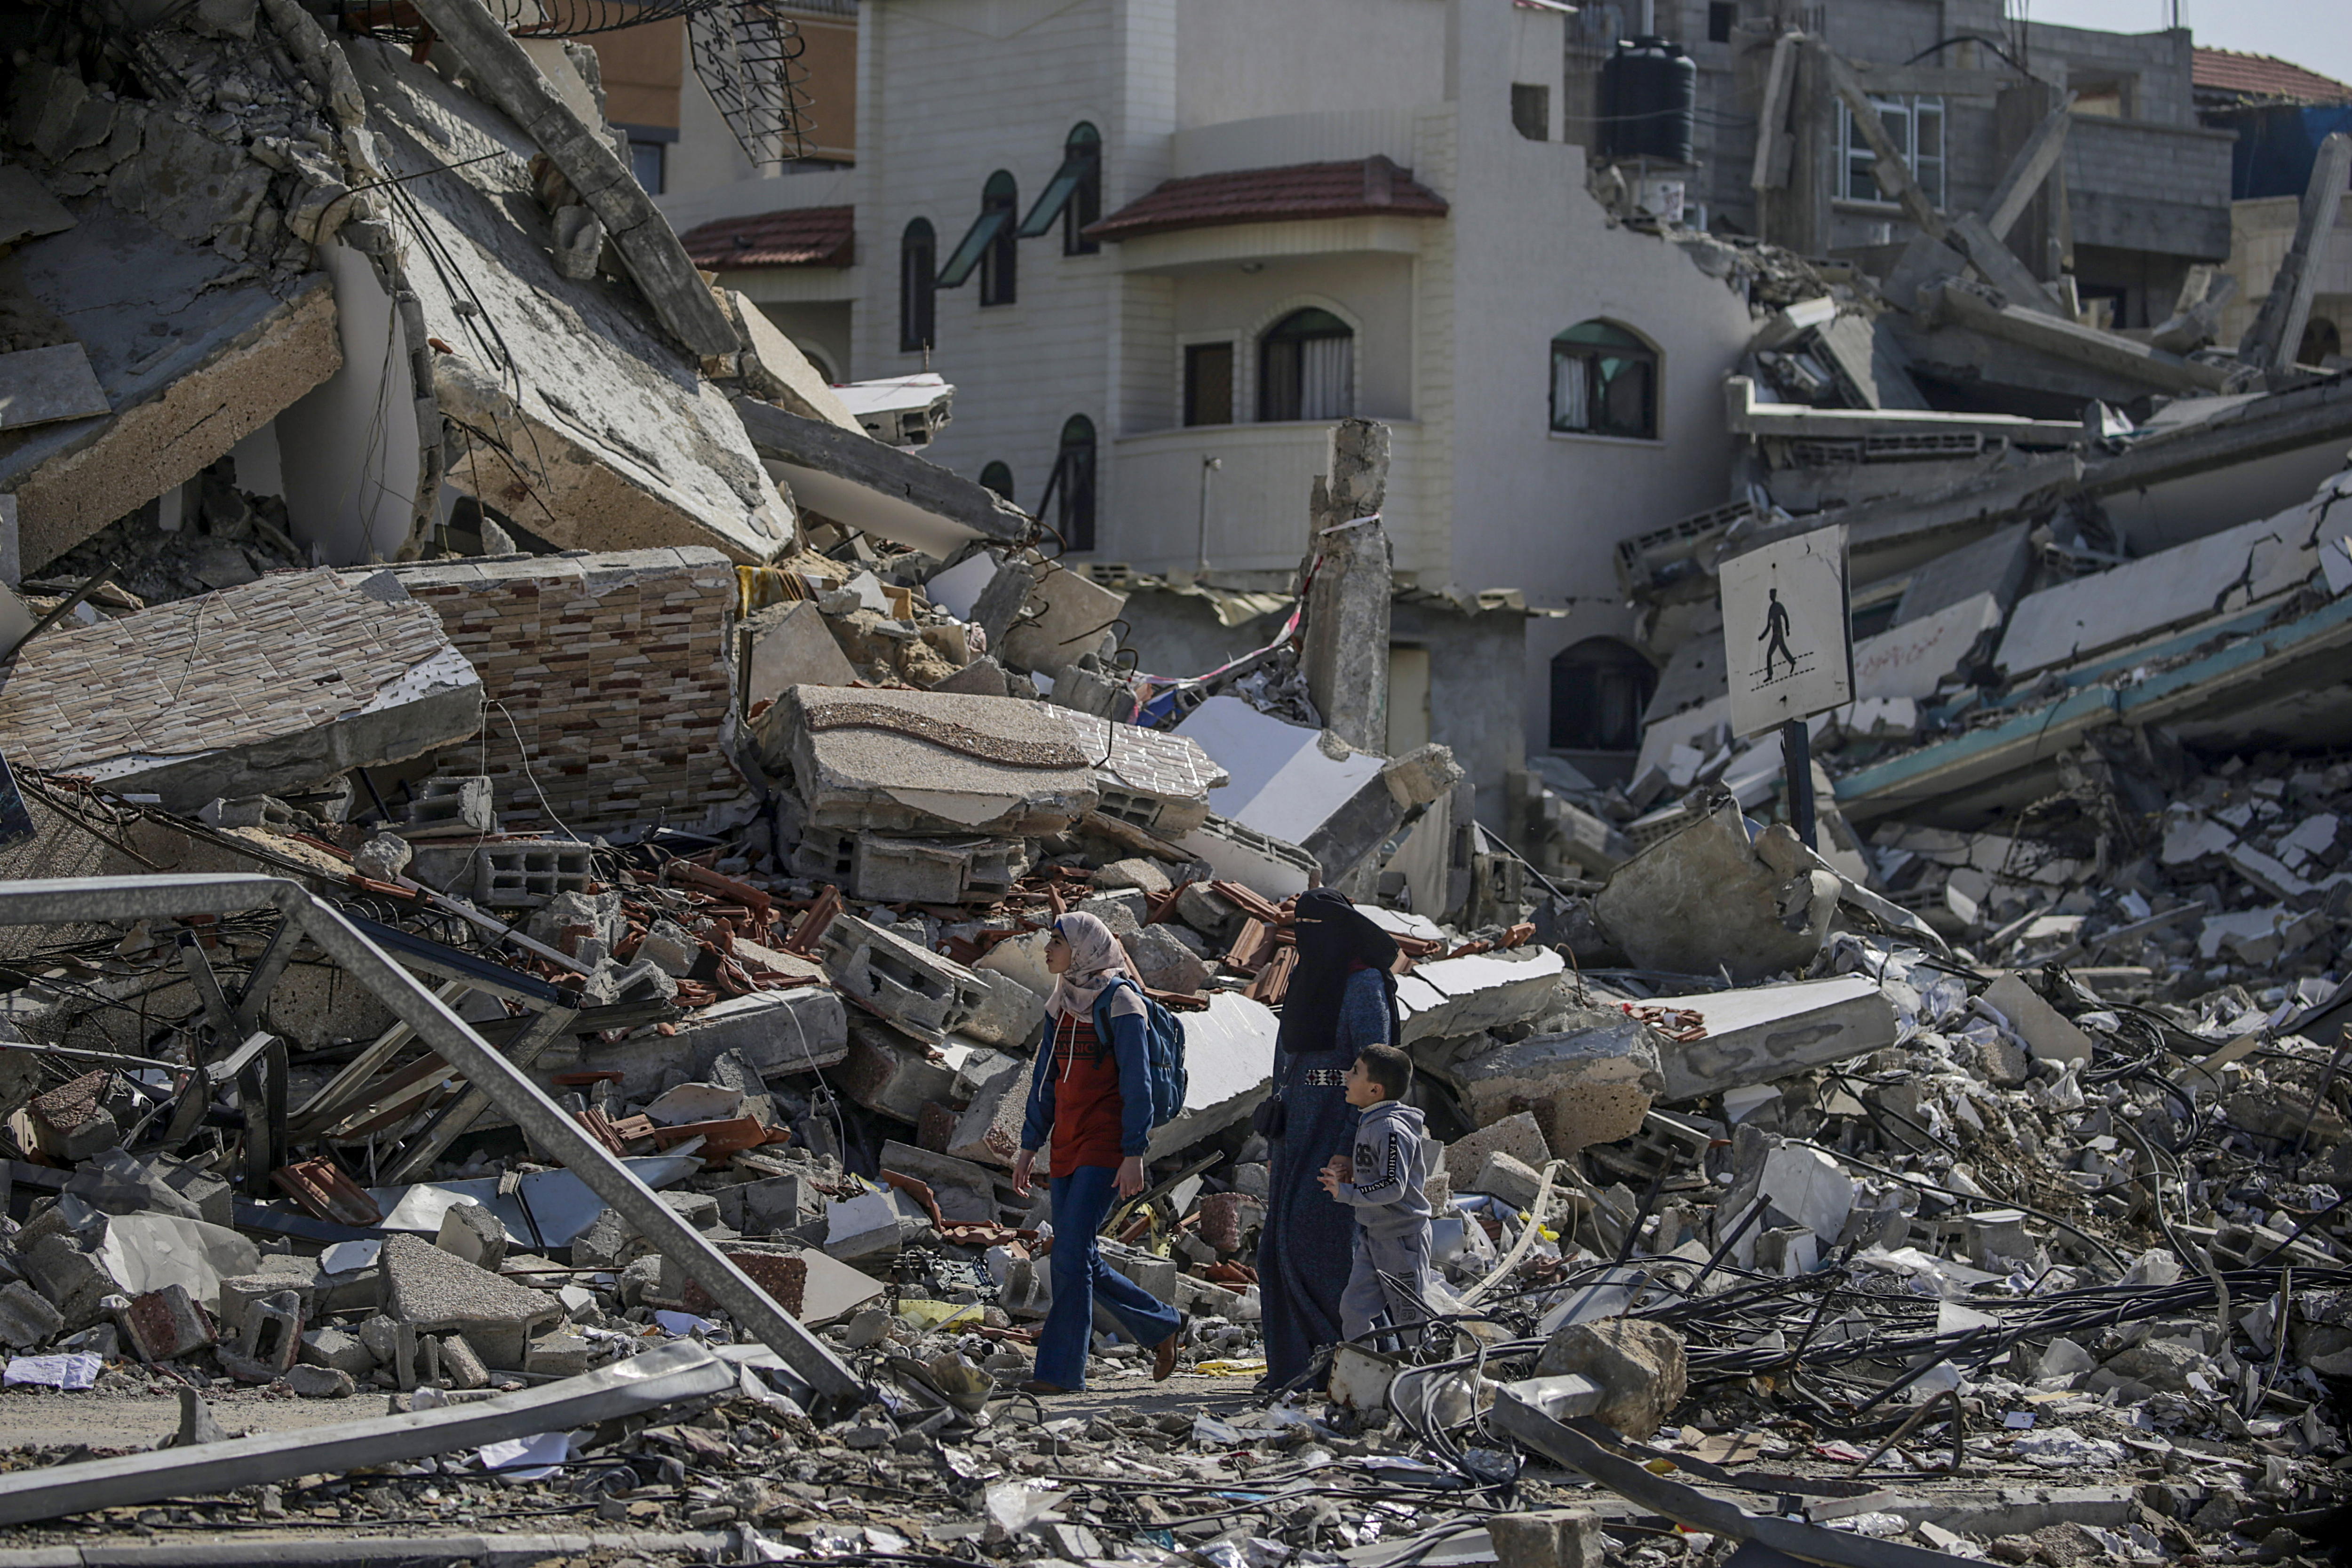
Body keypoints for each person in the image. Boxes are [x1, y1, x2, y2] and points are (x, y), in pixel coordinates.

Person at [1010, 911, 1181, 1395]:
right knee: (1074, 1254)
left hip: (1105, 1146)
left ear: (1084, 949)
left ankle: (1059, 1374)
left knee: (1068, 1254)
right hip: (1066, 1142)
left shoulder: (1121, 1002)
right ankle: (1161, 1324)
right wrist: (1028, 1145)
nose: (1047, 948)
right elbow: (1043, 1078)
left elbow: (1137, 1084)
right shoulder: (1061, 1001)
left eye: (1057, 941)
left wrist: (1134, 1151)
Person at [1256, 887, 1402, 1392]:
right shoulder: (1308, 977)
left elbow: (1370, 1070)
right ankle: (1295, 1367)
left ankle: (1357, 1364)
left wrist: (1347, 1144)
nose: (1307, 940)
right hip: (1293, 1132)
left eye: (1317, 929)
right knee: (1278, 1248)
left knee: (1318, 1246)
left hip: (1335, 1136)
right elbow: (1293, 1058)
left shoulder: (1362, 986)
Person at [1319, 1042, 1435, 1351]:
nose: (1346, 1076)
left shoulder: (1390, 1128)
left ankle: (1430, 1383)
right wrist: (1350, 1176)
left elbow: (1392, 1187)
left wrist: (1347, 1192)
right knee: (1354, 1311)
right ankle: (1363, 1382)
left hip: (1401, 1240)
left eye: (1356, 1071)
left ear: (1375, 1089)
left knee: (1412, 1321)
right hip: (1374, 1236)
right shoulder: (1371, 1120)